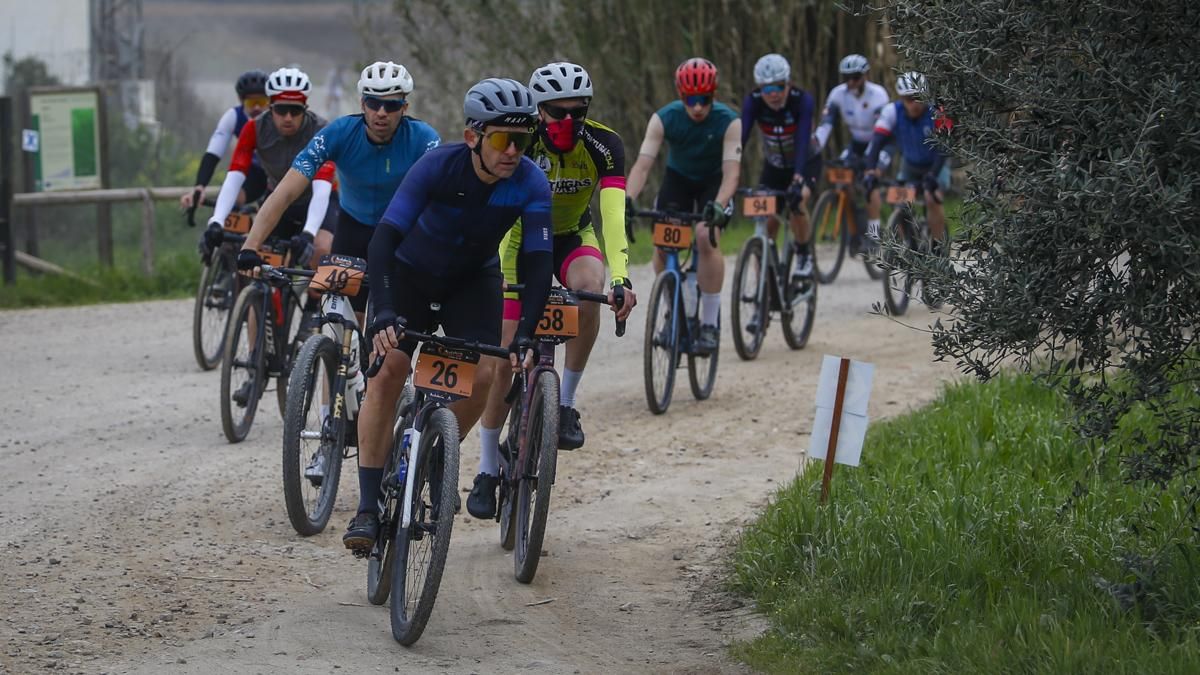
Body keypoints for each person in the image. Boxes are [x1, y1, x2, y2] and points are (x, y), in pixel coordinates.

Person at [344, 78, 554, 549]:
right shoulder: (437, 166)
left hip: (472, 281)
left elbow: (539, 263)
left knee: (485, 376)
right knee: (389, 370)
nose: (513, 152)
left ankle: (437, 454)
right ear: (473, 136)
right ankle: (366, 508)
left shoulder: (530, 182)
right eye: (503, 139)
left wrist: (525, 332)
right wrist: (384, 312)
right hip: (410, 274)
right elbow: (383, 240)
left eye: (523, 141)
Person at [474, 61, 637, 465]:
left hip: (571, 236)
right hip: (518, 240)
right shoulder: (521, 142)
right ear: (538, 110)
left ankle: (564, 403)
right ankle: (488, 466)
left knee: (590, 290)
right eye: (556, 112)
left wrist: (621, 278)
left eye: (577, 112)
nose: (567, 120)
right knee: (504, 358)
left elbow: (613, 216)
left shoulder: (604, 144)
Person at [237, 60, 440, 317]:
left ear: (404, 108)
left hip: (400, 234)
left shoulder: (424, 139)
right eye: (373, 103)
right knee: (342, 320)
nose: (381, 112)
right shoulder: (339, 133)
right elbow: (285, 192)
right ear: (362, 104)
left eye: (391, 105)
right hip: (352, 228)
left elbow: (440, 201)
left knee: (393, 324)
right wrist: (250, 246)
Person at [625, 57, 742, 355]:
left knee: (704, 236)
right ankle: (673, 311)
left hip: (713, 184)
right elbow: (642, 166)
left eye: (705, 99)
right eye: (691, 100)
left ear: (713, 95)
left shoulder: (729, 121)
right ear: (681, 96)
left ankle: (709, 323)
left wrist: (719, 205)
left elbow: (732, 173)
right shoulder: (665, 118)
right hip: (678, 180)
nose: (698, 107)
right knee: (663, 244)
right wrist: (626, 200)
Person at [202, 66, 337, 274]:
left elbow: (322, 189)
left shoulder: (321, 130)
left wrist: (309, 233)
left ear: (306, 108)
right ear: (270, 107)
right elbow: (235, 176)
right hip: (278, 199)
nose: (288, 117)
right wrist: (217, 221)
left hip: (318, 200)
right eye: (281, 110)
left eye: (296, 110)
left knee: (320, 251)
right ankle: (259, 295)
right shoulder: (254, 128)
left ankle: (312, 294)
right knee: (255, 259)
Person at [740, 53, 818, 281]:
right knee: (768, 217)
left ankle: (804, 254)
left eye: (779, 87)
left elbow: (802, 141)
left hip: (805, 163)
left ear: (788, 84)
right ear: (759, 88)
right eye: (767, 88)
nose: (773, 94)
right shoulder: (753, 102)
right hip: (774, 166)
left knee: (797, 202)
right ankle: (765, 278)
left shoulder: (802, 101)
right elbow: (740, 139)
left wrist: (798, 179)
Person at [864, 71, 952, 247]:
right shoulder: (891, 111)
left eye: (918, 98)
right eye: (908, 99)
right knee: (896, 198)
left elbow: (944, 148)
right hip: (910, 164)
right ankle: (908, 241)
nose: (914, 104)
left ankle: (938, 249)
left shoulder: (937, 112)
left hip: (936, 164)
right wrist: (871, 171)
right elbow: (877, 142)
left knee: (930, 197)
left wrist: (933, 175)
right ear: (901, 98)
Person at [813, 53, 891, 245]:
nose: (851, 82)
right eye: (846, 78)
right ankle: (853, 226)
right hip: (856, 142)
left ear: (865, 76)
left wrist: (869, 161)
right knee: (842, 179)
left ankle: (874, 234)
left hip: (879, 142)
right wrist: (816, 145)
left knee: (870, 183)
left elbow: (880, 131)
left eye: (855, 77)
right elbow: (827, 123)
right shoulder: (838, 94)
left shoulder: (878, 94)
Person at [181, 70, 270, 214]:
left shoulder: (279, 117)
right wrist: (199, 187)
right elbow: (213, 153)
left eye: (261, 102)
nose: (257, 108)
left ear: (270, 101)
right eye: (251, 103)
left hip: (279, 173)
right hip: (254, 174)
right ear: (241, 101)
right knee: (232, 199)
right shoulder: (233, 116)